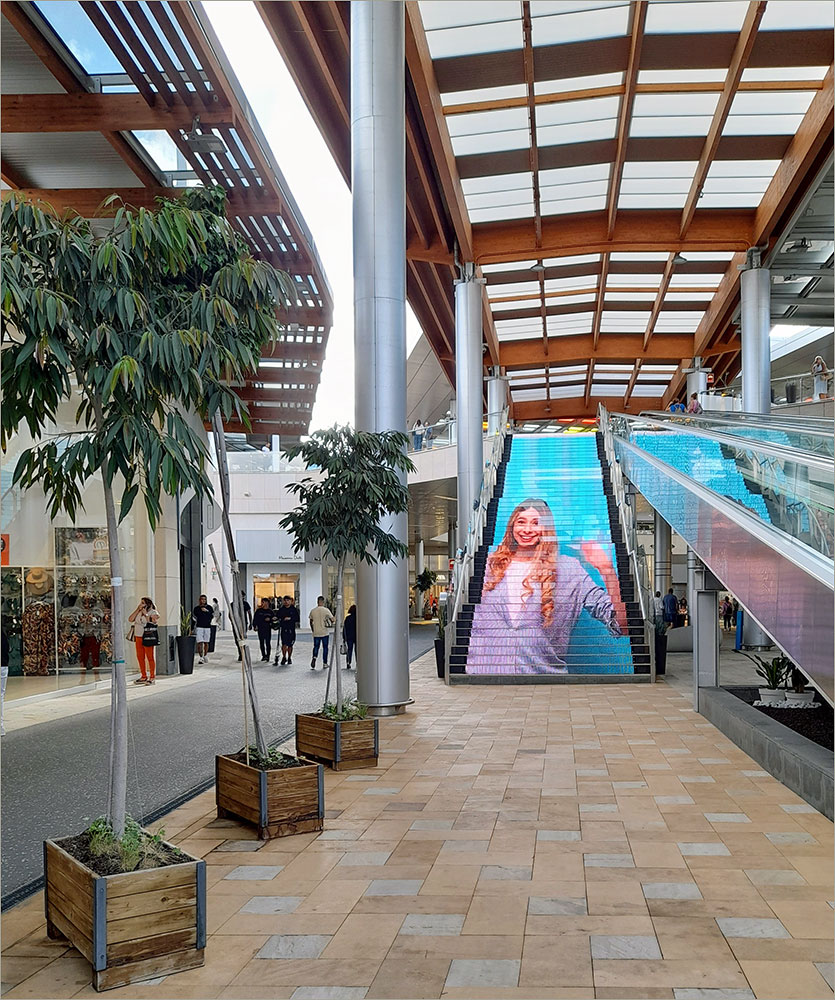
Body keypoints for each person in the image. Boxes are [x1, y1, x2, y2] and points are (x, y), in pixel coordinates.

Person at [466, 498, 627, 674]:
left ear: (547, 529)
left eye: (536, 523)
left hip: (542, 680)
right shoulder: (486, 564)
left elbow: (622, 625)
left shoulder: (569, 569)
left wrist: (607, 570)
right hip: (483, 677)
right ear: (512, 525)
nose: (527, 529)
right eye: (521, 522)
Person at [128, 597, 160, 684]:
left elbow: (154, 620)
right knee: (140, 656)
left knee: (149, 657)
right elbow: (130, 619)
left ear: (147, 604)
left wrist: (146, 614)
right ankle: (143, 675)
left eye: (143, 603)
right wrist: (137, 610)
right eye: (141, 602)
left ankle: (152, 676)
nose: (141, 604)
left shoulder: (153, 612)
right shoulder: (139, 612)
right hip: (138, 636)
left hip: (147, 637)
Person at [309, 596, 335, 670]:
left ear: (317, 601)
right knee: (325, 648)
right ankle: (325, 663)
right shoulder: (326, 610)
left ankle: (314, 657)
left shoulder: (313, 611)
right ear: (323, 602)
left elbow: (311, 621)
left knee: (316, 646)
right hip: (324, 632)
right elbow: (332, 620)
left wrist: (313, 630)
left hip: (316, 632)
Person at [274, 595, 300, 666]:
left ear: (291, 601)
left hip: (291, 629)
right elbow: (277, 616)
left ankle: (289, 657)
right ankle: (284, 657)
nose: (286, 602)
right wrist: (275, 619)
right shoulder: (281, 610)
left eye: (288, 600)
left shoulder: (294, 610)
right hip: (284, 629)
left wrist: (290, 618)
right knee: (284, 644)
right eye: (285, 600)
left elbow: (297, 618)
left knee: (290, 645)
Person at [192, 594, 214, 664]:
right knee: (199, 642)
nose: (203, 601)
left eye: (204, 599)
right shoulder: (196, 609)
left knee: (206, 642)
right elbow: (195, 616)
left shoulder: (210, 608)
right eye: (202, 599)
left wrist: (206, 611)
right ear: (199, 600)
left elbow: (211, 616)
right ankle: (201, 657)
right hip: (199, 626)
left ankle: (205, 655)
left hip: (207, 626)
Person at [252, 598, 273, 662]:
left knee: (267, 642)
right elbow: (255, 619)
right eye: (262, 602)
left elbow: (274, 619)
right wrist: (255, 626)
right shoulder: (258, 611)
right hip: (260, 628)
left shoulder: (270, 612)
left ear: (267, 603)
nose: (263, 604)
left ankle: (268, 655)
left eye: (264, 602)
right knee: (261, 642)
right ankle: (263, 655)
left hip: (267, 629)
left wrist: (270, 620)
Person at [343, 604, 357, 669]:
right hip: (357, 636)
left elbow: (344, 628)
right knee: (357, 650)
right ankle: (358, 662)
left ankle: (348, 662)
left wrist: (344, 637)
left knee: (349, 650)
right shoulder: (358, 618)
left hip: (349, 636)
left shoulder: (347, 618)